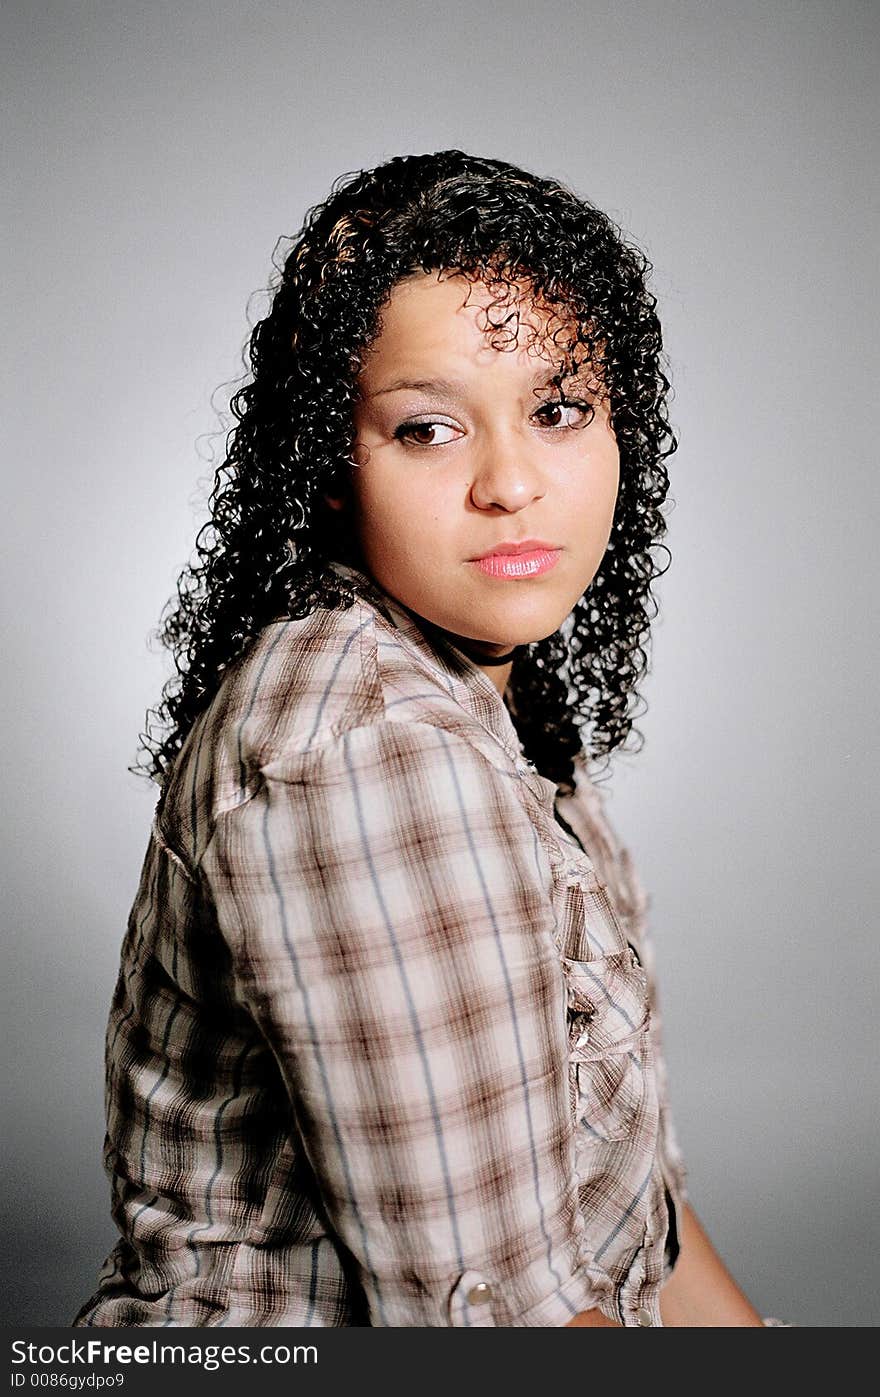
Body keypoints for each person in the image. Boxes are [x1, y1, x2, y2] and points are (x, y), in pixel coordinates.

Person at [74, 150, 784, 1327]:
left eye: (558, 410)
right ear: (333, 466)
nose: (510, 482)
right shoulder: (364, 749)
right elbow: (505, 1323)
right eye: (426, 428)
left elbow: (625, 1224)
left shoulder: (494, 697)